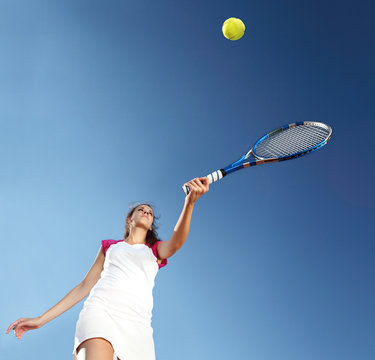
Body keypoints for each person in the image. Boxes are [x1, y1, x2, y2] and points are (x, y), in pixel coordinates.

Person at [6, 177, 209, 360]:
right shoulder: (110, 246)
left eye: (150, 213)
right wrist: (41, 320)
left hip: (138, 326)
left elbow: (176, 243)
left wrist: (189, 203)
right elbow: (84, 286)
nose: (147, 212)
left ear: (150, 227)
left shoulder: (154, 251)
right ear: (130, 220)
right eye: (142, 210)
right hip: (101, 311)